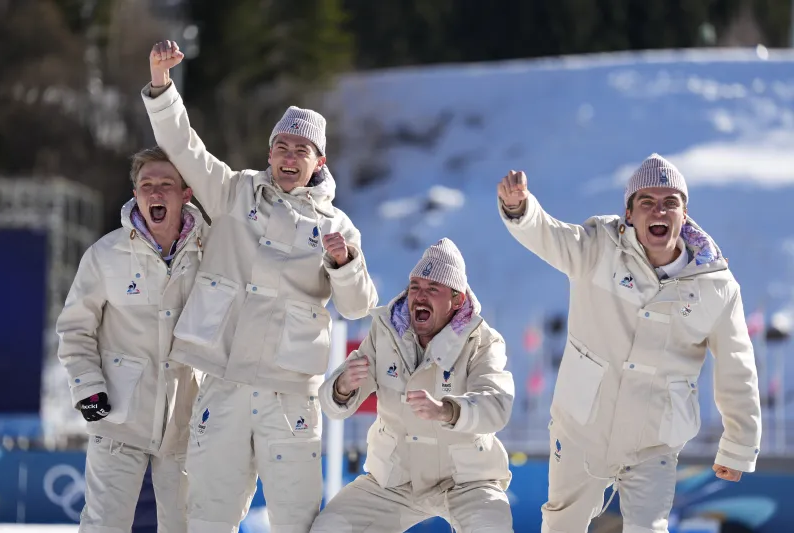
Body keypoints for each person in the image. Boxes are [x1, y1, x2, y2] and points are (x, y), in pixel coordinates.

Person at [142, 40, 379, 533]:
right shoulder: (233, 193)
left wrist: (344, 263)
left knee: (296, 522)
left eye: (302, 150)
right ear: (269, 151)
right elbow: (186, 149)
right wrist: (163, 87)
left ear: (320, 160)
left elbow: (357, 308)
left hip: (289, 398)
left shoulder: (338, 227)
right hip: (223, 385)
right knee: (207, 518)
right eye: (282, 147)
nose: (290, 157)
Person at [497, 154, 762, 533]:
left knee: (648, 528)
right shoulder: (598, 249)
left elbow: (738, 366)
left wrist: (739, 442)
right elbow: (549, 234)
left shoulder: (716, 286)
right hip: (582, 426)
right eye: (647, 202)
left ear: (684, 214)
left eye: (670, 202)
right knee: (563, 523)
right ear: (629, 213)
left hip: (655, 439)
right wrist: (519, 208)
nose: (659, 210)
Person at [310, 238, 515, 533]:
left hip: (467, 479)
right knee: (329, 528)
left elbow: (496, 405)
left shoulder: (482, 341)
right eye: (415, 286)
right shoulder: (385, 331)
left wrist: (447, 411)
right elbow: (334, 405)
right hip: (394, 479)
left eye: (433, 289)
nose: (420, 295)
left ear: (456, 300)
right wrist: (342, 386)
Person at [57, 146, 206, 532]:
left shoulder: (213, 251)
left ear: (186, 193)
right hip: (119, 417)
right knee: (105, 523)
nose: (155, 193)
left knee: (184, 525)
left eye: (166, 184)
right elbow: (75, 328)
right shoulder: (105, 254)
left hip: (187, 420)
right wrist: (87, 387)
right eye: (146, 185)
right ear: (136, 194)